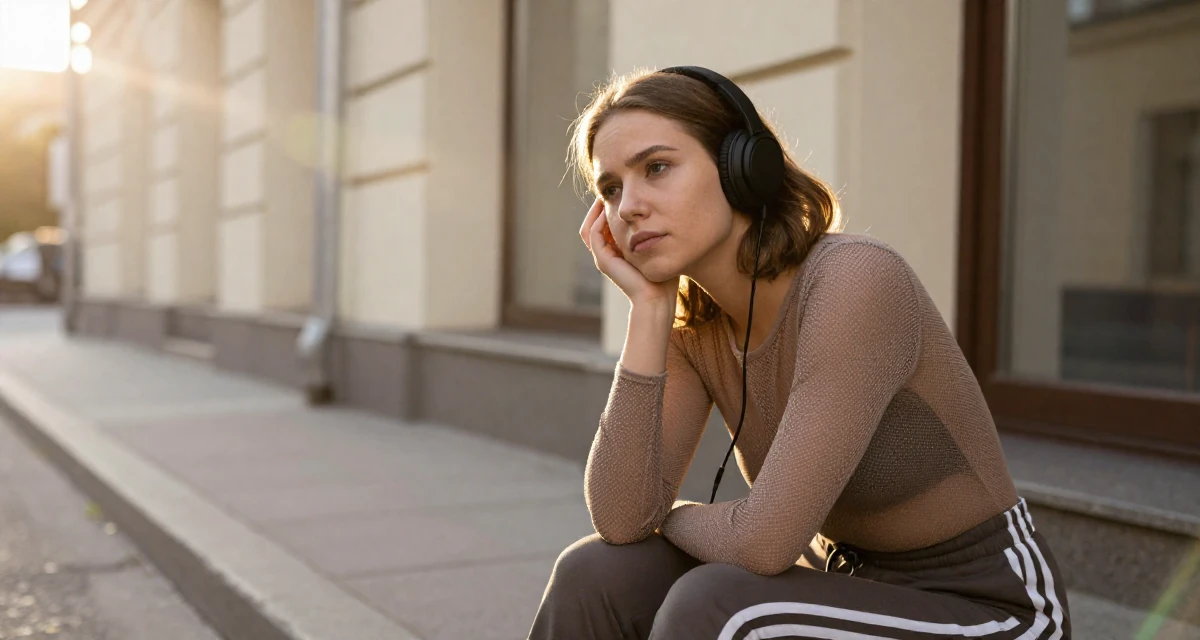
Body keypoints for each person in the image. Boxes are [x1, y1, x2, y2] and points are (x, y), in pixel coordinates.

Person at [527, 66, 1071, 640]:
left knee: (718, 605)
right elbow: (619, 518)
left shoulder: (857, 282)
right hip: (839, 585)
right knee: (595, 572)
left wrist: (669, 515)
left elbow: (764, 541)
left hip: (990, 609)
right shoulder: (695, 328)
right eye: (609, 189)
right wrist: (648, 310)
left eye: (656, 168)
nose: (629, 205)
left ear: (743, 169)